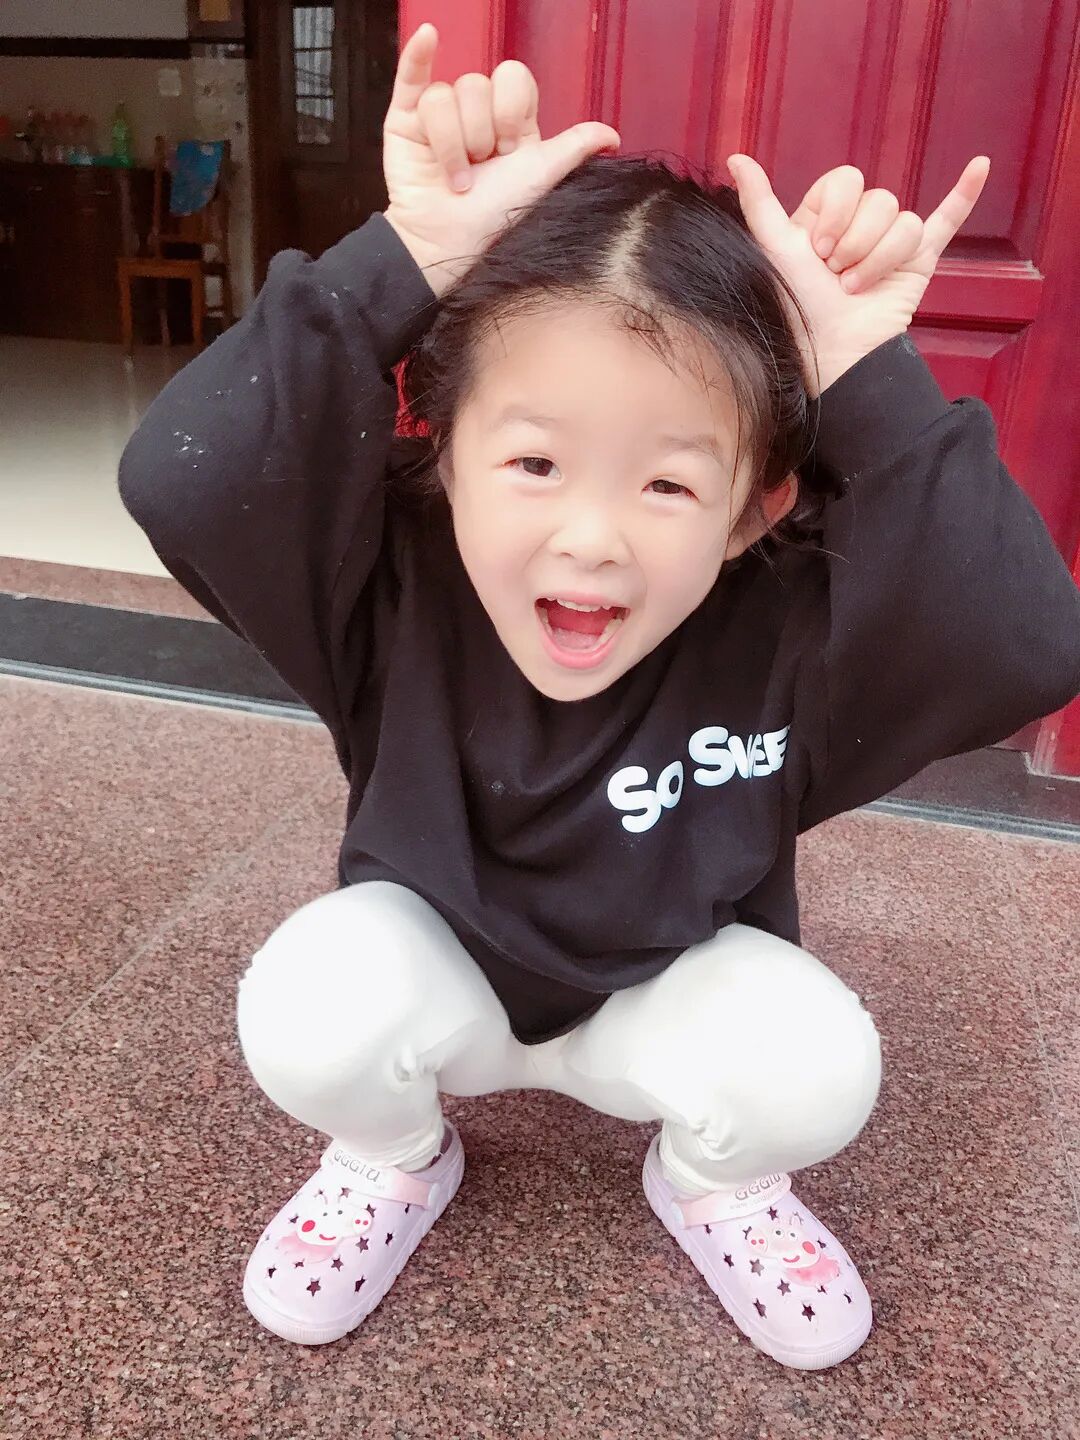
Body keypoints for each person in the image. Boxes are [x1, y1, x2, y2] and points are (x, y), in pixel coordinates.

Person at [118, 21, 1080, 1371]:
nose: (591, 539)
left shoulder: (788, 634)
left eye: (669, 482)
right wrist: (411, 255)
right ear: (443, 457)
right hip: (439, 980)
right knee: (310, 1001)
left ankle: (712, 1183)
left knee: (816, 1061)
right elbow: (184, 473)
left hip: (664, 999)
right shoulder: (384, 590)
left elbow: (1027, 641)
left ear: (753, 513)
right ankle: (396, 1158)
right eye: (533, 463)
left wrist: (864, 364)